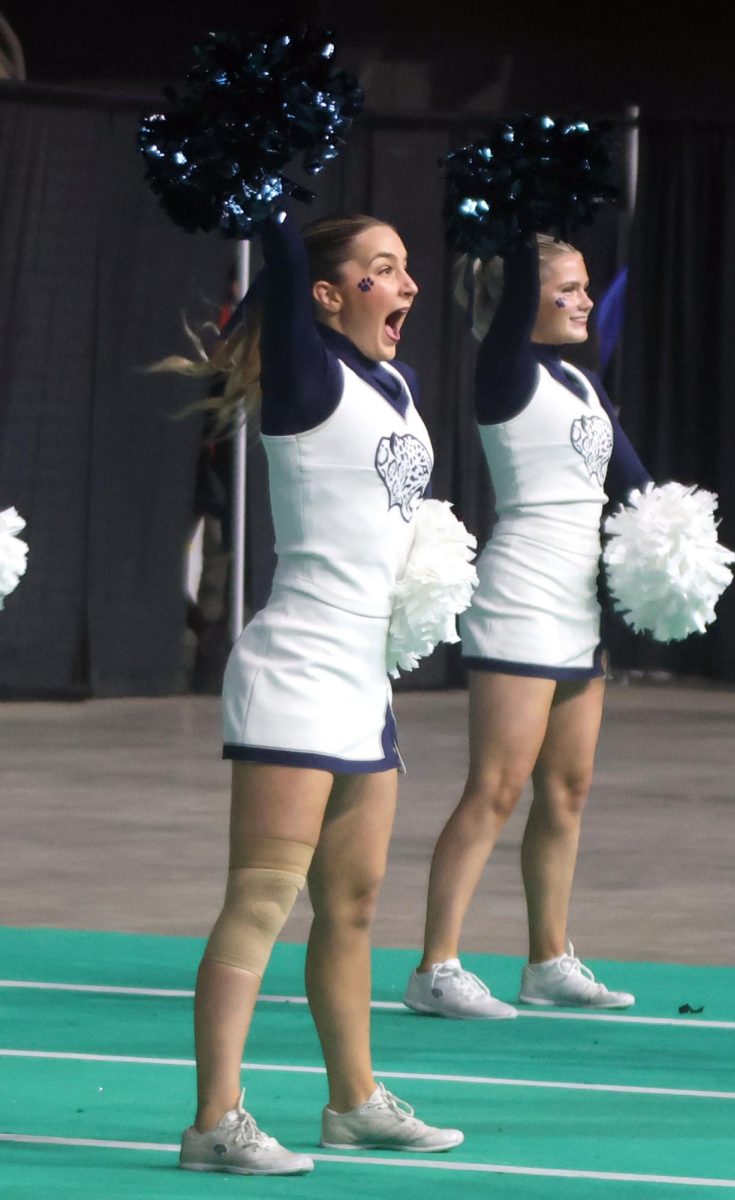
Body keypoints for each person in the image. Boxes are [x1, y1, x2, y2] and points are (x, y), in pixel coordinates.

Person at [163, 208, 465, 1174]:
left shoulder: (397, 385)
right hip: (295, 668)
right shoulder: (306, 376)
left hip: (361, 679)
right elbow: (286, 262)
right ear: (327, 296)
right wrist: (269, 182)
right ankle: (215, 1121)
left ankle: (355, 1101)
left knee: (355, 904)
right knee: (260, 900)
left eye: (408, 269)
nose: (409, 287)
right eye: (384, 270)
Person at [404, 234, 651, 1020]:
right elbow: (514, 289)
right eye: (568, 289)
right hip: (520, 597)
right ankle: (435, 966)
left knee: (568, 789)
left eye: (586, 288)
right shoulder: (507, 371)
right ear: (523, 300)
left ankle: (548, 959)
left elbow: (636, 481)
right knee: (498, 787)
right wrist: (525, 195)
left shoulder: (581, 382)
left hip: (578, 603)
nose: (584, 301)